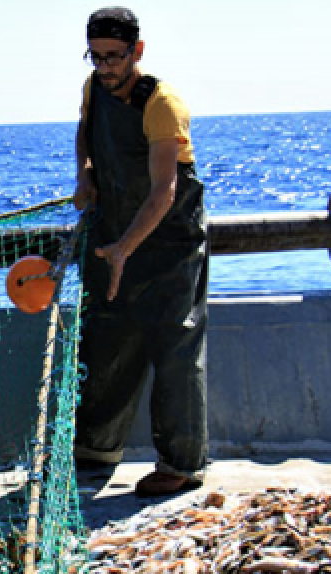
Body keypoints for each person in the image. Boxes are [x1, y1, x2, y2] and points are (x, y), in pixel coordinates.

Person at [72, 7, 209, 497]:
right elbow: (85, 134)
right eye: (97, 56)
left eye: (115, 56)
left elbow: (163, 192)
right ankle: (96, 448)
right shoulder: (93, 88)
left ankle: (181, 464)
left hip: (168, 241)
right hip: (113, 235)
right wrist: (85, 174)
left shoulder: (162, 104)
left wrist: (126, 249)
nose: (105, 66)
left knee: (174, 343)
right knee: (107, 334)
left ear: (138, 51)